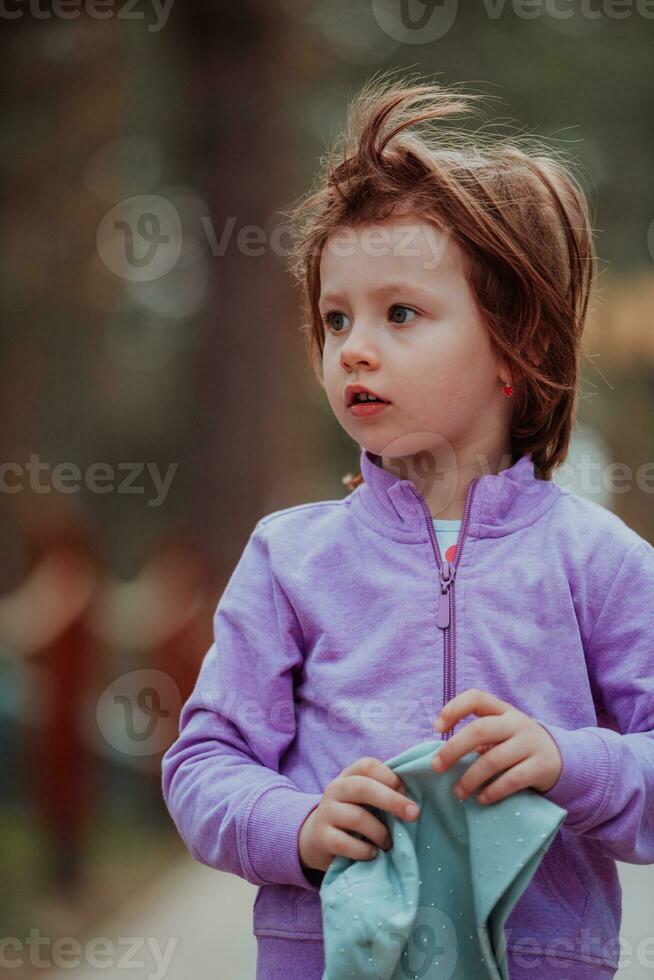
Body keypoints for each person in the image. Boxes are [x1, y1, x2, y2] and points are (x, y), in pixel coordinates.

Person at [161, 73, 654, 979]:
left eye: (401, 313)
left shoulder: (603, 562)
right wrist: (298, 827)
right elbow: (204, 762)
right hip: (328, 955)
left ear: (523, 346)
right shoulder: (289, 557)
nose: (352, 345)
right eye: (335, 317)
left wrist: (568, 761)